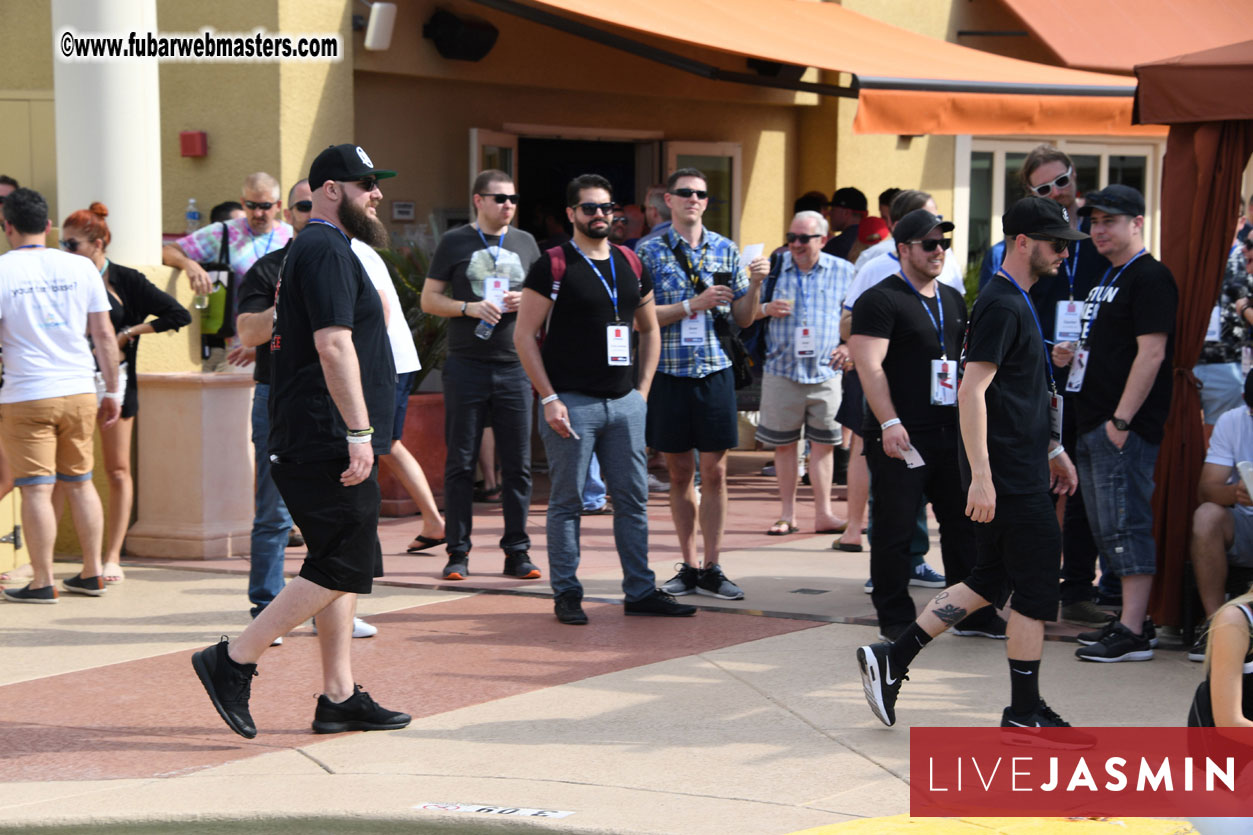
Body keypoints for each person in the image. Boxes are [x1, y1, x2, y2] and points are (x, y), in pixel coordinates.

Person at [191, 143, 410, 738]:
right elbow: (332, 345)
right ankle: (233, 659)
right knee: (345, 562)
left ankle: (338, 696)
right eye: (367, 183)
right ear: (333, 190)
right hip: (324, 436)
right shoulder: (323, 248)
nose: (377, 193)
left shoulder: (324, 248)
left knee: (336, 564)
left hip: (320, 433)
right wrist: (360, 432)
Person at [856, 196, 1084, 731]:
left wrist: (1052, 449)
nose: (1063, 255)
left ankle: (894, 657)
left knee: (988, 578)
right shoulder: (1003, 303)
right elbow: (972, 389)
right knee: (1033, 588)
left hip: (1018, 466)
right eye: (1056, 245)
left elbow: (1019, 394)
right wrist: (981, 477)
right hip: (1006, 476)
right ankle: (1023, 711)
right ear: (1024, 242)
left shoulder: (1013, 300)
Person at [514, 173, 693, 624]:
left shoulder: (631, 263)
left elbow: (649, 328)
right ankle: (567, 593)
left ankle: (640, 589)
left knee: (632, 501)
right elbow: (524, 335)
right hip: (571, 404)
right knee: (568, 502)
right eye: (590, 208)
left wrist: (643, 393)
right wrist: (549, 397)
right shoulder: (553, 264)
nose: (600, 215)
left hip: (624, 403)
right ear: (572, 213)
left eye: (606, 208)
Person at [848, 209, 1003, 641]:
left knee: (964, 528)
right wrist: (890, 421)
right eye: (928, 244)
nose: (938, 251)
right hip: (901, 437)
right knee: (896, 531)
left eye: (943, 243)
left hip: (948, 434)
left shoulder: (952, 298)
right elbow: (869, 366)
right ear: (903, 250)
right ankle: (895, 619)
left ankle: (972, 613)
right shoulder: (879, 299)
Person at [233, 181, 377, 641]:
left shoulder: (343, 257)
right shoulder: (271, 268)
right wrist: (291, 306)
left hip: (333, 408)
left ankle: (327, 611)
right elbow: (248, 332)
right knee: (274, 513)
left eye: (301, 202)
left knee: (334, 527)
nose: (303, 210)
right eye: (300, 205)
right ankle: (265, 607)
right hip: (279, 400)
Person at [1052, 184, 1177, 663]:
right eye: (1094, 221)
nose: (1098, 229)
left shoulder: (1150, 277)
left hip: (1121, 426)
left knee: (1126, 525)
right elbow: (1109, 350)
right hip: (1092, 421)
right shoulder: (1107, 276)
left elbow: (1152, 353)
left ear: (1138, 223)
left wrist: (1121, 420)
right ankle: (1130, 619)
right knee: (1106, 529)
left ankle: (1134, 631)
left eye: (1110, 221)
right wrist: (1070, 354)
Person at [636, 168, 770, 602]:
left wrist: (755, 285)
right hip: (670, 371)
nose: (693, 199)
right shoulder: (649, 251)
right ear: (668, 202)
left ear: (707, 203)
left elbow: (744, 319)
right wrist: (692, 305)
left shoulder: (727, 250)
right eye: (685, 193)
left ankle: (713, 565)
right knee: (678, 472)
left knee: (715, 471)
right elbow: (641, 318)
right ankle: (689, 565)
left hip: (714, 370)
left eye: (700, 194)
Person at [55, 202, 191, 585]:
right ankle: (45, 563)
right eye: (63, 244)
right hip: (72, 381)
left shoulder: (125, 279)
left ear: (98, 243)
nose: (66, 251)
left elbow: (178, 315)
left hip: (117, 380)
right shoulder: (64, 277)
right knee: (65, 473)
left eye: (72, 244)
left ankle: (112, 556)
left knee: (117, 470)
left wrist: (128, 332)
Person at [0, 188, 121, 603]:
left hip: (27, 392)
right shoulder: (81, 267)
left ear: (7, 226)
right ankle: (91, 573)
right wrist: (114, 389)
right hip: (80, 389)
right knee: (81, 482)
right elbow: (104, 334)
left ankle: (42, 580)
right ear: (49, 226)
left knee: (35, 488)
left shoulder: (2, 270)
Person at [422, 169, 541, 583]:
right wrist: (468, 308)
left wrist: (523, 297)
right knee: (460, 462)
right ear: (478, 200)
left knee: (518, 465)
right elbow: (428, 299)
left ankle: (517, 552)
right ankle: (457, 553)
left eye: (512, 198)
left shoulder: (526, 243)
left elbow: (546, 298)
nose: (508, 205)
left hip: (513, 366)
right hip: (466, 365)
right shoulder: (455, 241)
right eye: (499, 198)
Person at [753, 211, 850, 535]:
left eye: (802, 238)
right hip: (782, 370)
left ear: (822, 240)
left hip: (826, 372)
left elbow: (859, 318)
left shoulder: (844, 271)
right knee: (785, 446)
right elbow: (741, 313)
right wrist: (765, 308)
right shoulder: (774, 268)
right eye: (790, 237)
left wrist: (849, 348)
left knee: (824, 446)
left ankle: (824, 514)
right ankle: (787, 515)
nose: (794, 244)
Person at [162, 172, 293, 371]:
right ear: (242, 202)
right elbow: (168, 251)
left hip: (282, 346)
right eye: (251, 205)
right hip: (235, 348)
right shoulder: (222, 232)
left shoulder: (291, 236)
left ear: (277, 205)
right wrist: (189, 265)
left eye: (265, 206)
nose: (258, 213)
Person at [1188, 369, 1253, 662]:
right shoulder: (1233, 420)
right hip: (1244, 522)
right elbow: (1207, 488)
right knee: (1207, 516)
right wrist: (1235, 493)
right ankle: (1216, 626)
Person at [821, 187, 867, 262]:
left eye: (833, 209)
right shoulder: (873, 240)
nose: (829, 213)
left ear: (846, 213)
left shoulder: (836, 245)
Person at [635, 184, 671, 249]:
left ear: (654, 211)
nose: (644, 213)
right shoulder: (689, 239)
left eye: (644, 208)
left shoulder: (645, 245)